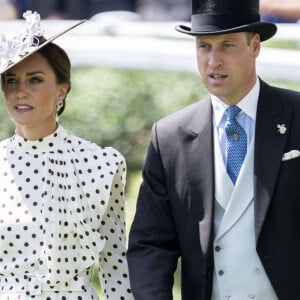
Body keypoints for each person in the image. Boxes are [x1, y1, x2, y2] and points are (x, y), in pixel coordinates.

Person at [127, 0, 300, 299]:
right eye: (204, 46)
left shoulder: (297, 114)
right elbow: (151, 244)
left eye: (228, 45)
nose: (213, 60)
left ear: (255, 45)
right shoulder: (169, 137)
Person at [0, 11, 133, 300]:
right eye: (11, 81)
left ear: (62, 89)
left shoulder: (103, 164)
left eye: (34, 80)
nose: (20, 91)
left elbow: (117, 266)